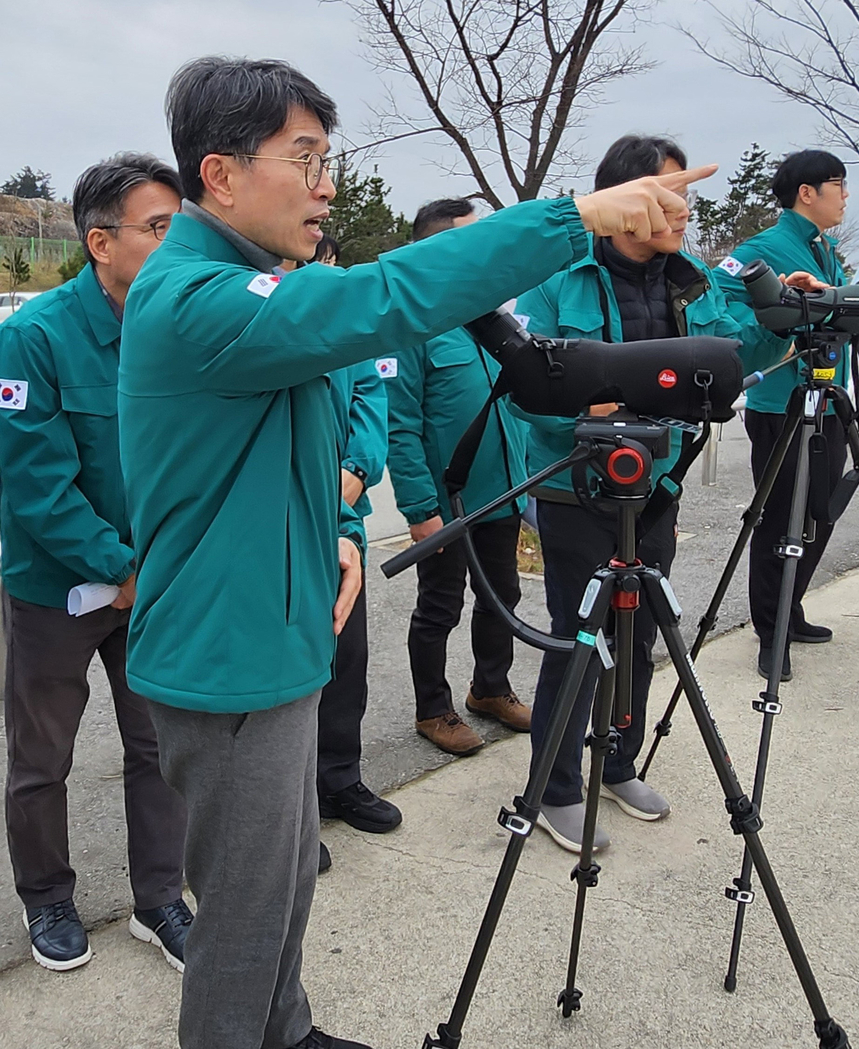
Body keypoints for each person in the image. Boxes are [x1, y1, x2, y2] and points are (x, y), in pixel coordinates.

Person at [116, 57, 711, 1049]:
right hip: (229, 661)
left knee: (288, 878)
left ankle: (287, 1027)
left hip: (282, 629)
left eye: (327, 157)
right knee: (246, 908)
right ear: (219, 176)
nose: (327, 184)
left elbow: (301, 446)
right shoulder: (195, 299)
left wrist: (344, 536)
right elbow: (390, 296)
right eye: (303, 157)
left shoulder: (259, 287)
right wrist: (576, 219)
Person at [516, 135, 811, 854]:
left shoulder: (695, 280)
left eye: (686, 196)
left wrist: (786, 323)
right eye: (669, 195)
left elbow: (730, 360)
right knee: (578, 639)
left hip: (658, 486)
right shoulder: (556, 278)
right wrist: (589, 413)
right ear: (624, 202)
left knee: (643, 632)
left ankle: (617, 761)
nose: (683, 211)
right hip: (575, 490)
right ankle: (553, 787)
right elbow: (525, 387)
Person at [0, 154, 190, 973]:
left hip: (150, 583)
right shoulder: (31, 338)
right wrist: (121, 566)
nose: (175, 246)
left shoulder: (173, 329)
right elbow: (35, 483)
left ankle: (159, 897)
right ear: (100, 243)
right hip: (54, 591)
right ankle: (47, 895)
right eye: (158, 230)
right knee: (43, 755)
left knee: (159, 744)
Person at [386, 199, 533, 758]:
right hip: (447, 506)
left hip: (505, 495)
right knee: (439, 608)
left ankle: (490, 689)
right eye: (474, 239)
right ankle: (433, 709)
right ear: (441, 249)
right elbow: (400, 428)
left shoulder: (495, 322)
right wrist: (420, 510)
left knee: (504, 598)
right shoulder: (414, 326)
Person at [712, 150, 852, 682]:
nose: (845, 196)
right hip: (782, 405)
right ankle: (770, 631)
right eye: (838, 185)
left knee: (820, 510)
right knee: (780, 518)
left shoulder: (824, 249)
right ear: (806, 192)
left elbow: (840, 307)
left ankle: (790, 611)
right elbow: (721, 304)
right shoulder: (763, 249)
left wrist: (829, 295)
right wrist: (778, 309)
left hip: (828, 394)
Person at [309, 234, 401, 874]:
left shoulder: (348, 329)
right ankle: (287, 813)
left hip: (343, 521)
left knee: (347, 660)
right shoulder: (257, 313)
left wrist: (359, 467)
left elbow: (372, 397)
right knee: (288, 675)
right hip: (279, 524)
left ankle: (339, 778)